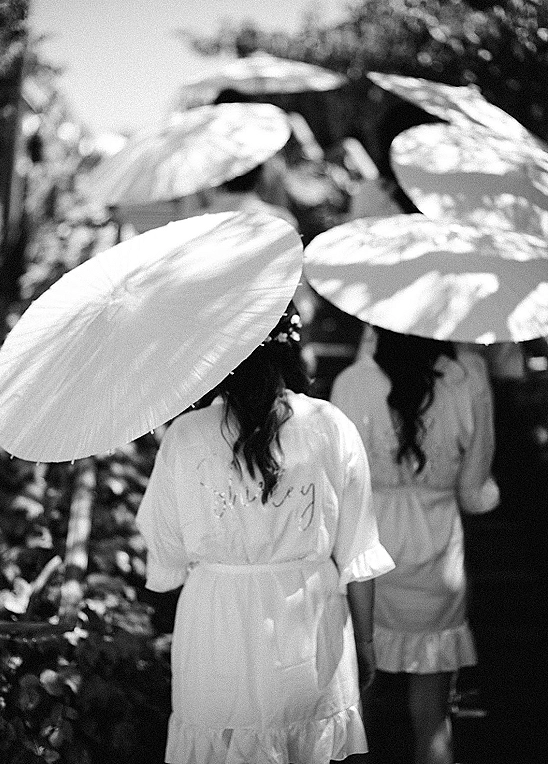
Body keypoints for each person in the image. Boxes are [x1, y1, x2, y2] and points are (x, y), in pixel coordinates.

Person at [136, 305, 394, 764]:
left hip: (217, 630)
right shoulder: (329, 425)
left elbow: (166, 553)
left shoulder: (186, 435)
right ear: (292, 354)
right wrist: (367, 644)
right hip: (308, 630)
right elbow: (359, 552)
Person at [330, 325, 499, 764]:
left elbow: (337, 489)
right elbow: (474, 494)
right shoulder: (468, 377)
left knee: (354, 715)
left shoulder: (352, 383)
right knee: (433, 718)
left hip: (367, 560)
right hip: (438, 560)